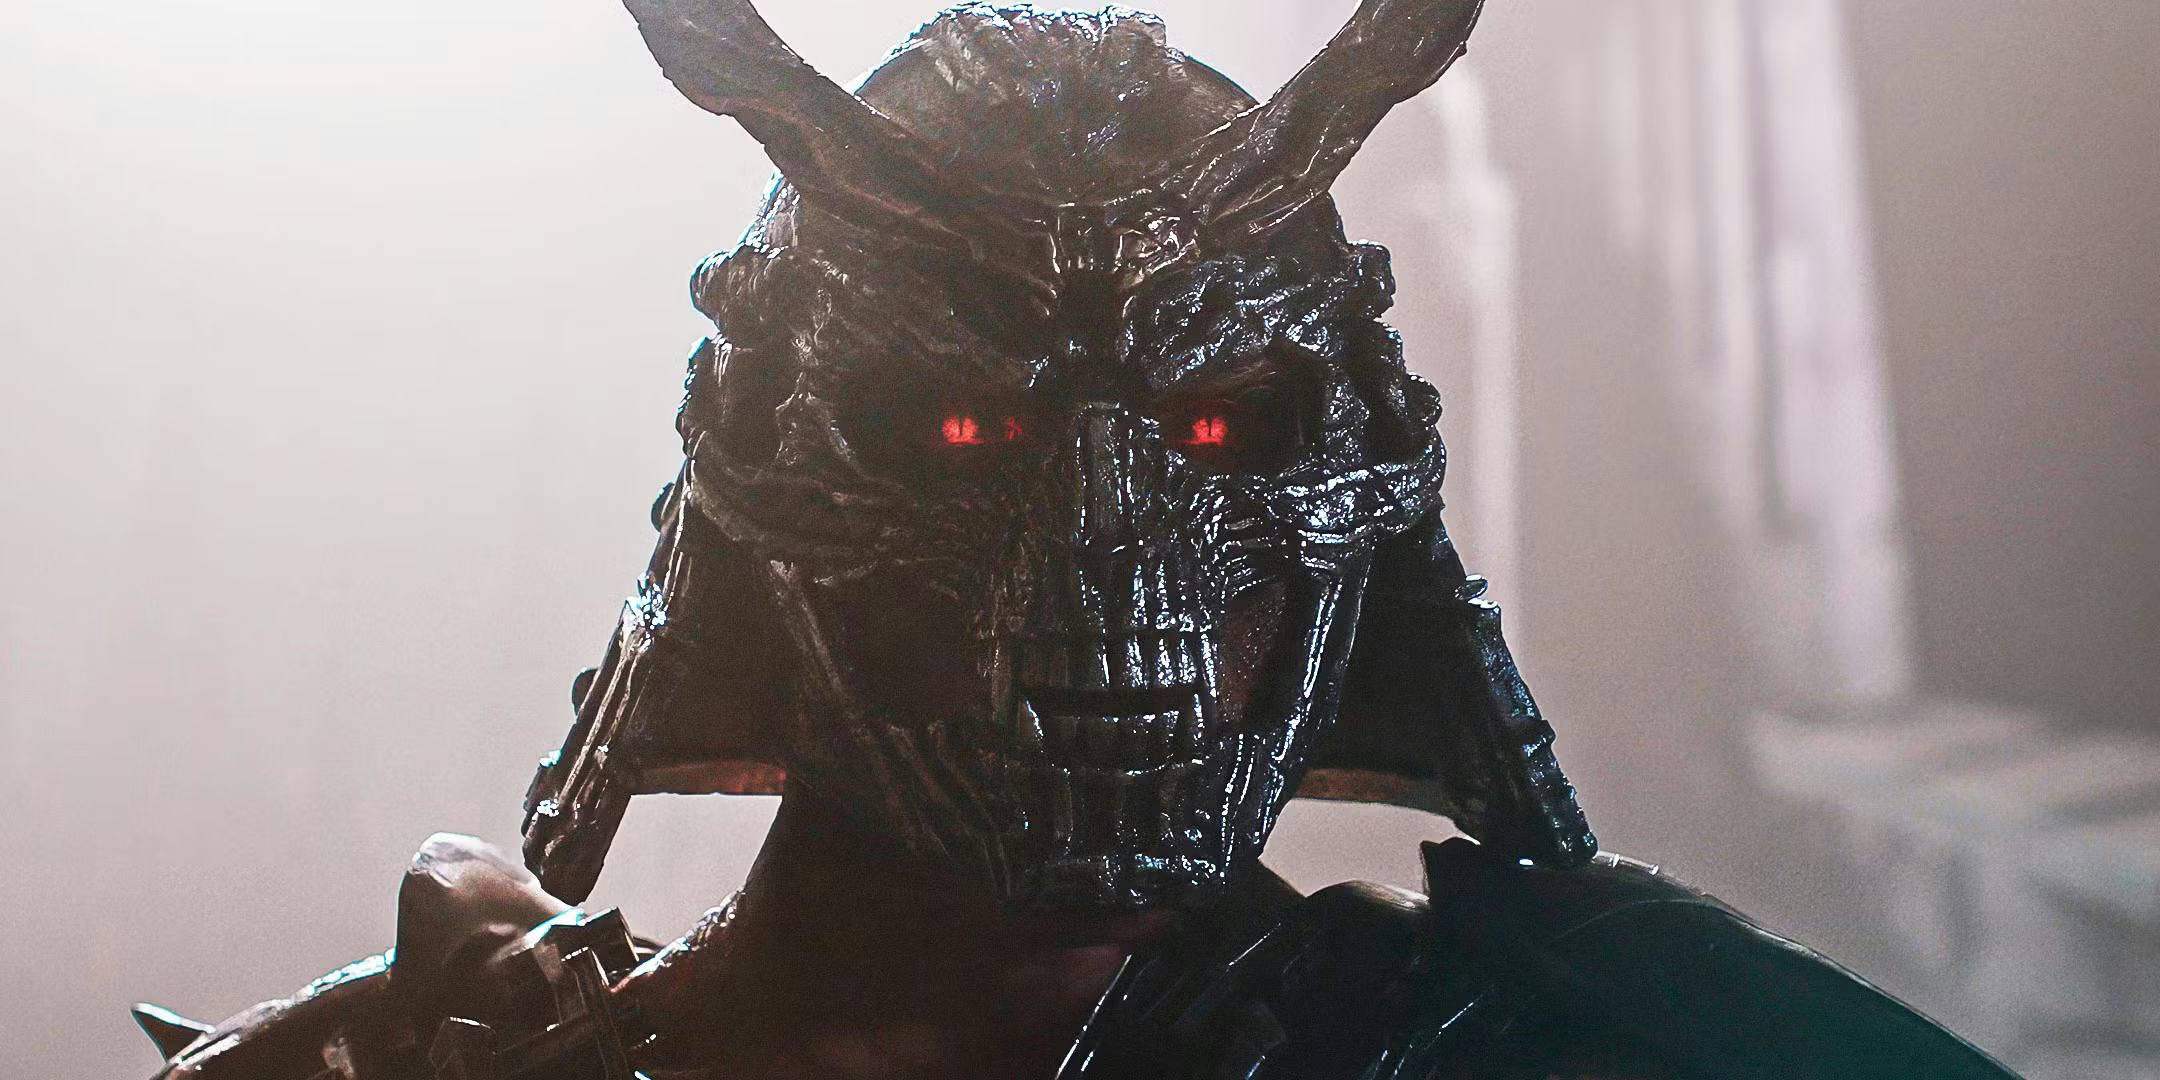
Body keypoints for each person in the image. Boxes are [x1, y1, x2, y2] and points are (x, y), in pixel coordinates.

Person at [136, 2, 2023, 1077]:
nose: (1110, 535)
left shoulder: (1570, 1043)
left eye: (1213, 429)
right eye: (972, 430)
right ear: (768, 494)